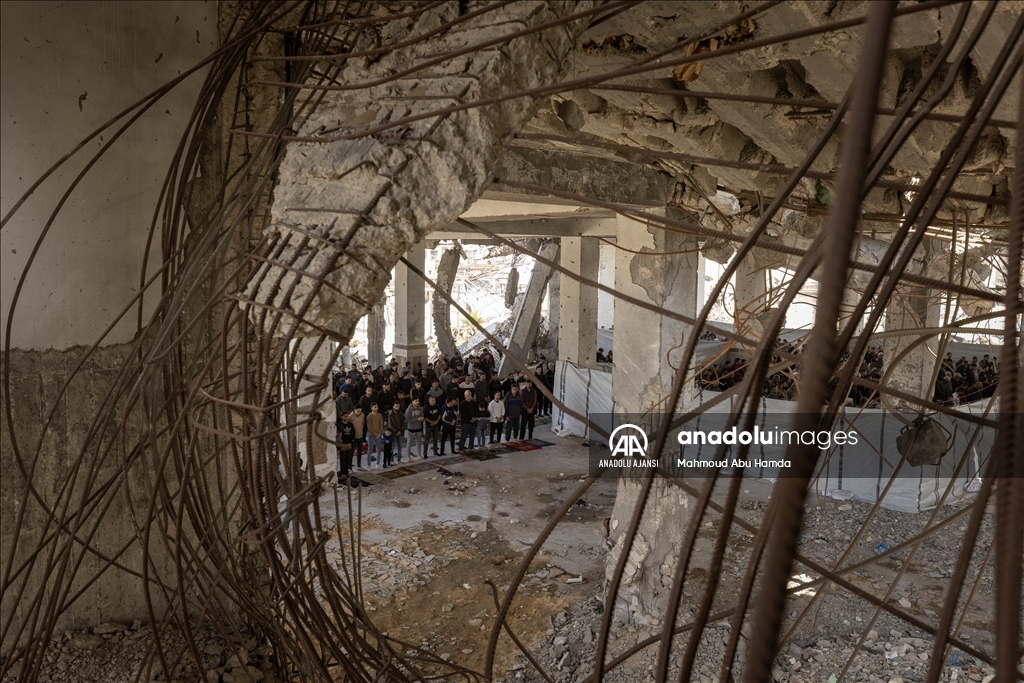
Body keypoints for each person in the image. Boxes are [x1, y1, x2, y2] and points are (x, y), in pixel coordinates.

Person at [336, 412, 355, 483]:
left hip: (349, 443)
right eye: (344, 416)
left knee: (348, 458)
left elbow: (353, 433)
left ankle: (346, 471)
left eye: (347, 416)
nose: (346, 418)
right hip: (342, 444)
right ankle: (342, 472)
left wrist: (351, 442)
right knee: (343, 459)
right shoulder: (340, 425)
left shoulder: (351, 425)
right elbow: (337, 434)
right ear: (342, 417)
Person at [365, 403, 384, 468]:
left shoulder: (379, 415)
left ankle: (378, 463)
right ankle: (369, 465)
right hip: (371, 435)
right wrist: (376, 434)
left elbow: (381, 425)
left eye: (377, 407)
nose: (377, 408)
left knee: (379, 449)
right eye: (375, 407)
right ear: (372, 408)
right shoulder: (369, 416)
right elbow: (369, 428)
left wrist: (379, 433)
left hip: (378, 435)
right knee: (370, 450)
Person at [350, 406, 367, 471]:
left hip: (360, 435)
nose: (359, 412)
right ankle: (350, 467)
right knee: (351, 452)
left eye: (360, 411)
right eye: (358, 411)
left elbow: (362, 424)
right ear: (354, 410)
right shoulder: (350, 416)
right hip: (353, 437)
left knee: (359, 452)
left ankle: (359, 465)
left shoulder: (362, 415)